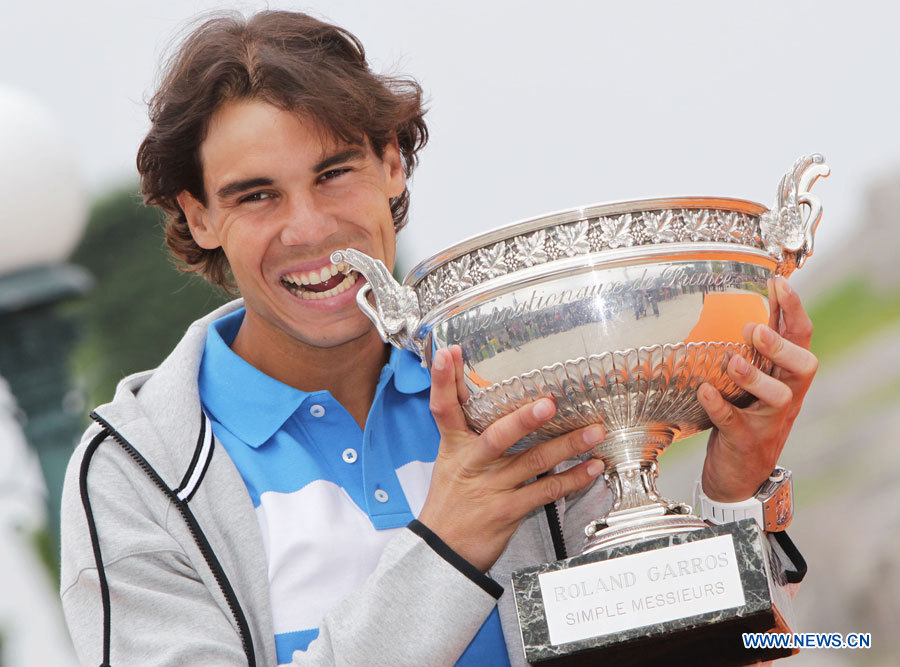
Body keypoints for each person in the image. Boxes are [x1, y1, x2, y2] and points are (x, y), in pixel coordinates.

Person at [60, 10, 815, 666]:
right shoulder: (136, 472)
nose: (310, 229)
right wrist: (445, 550)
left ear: (391, 164)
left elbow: (685, 653)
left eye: (334, 173)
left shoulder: (519, 385)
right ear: (198, 218)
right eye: (256, 195)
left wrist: (735, 493)